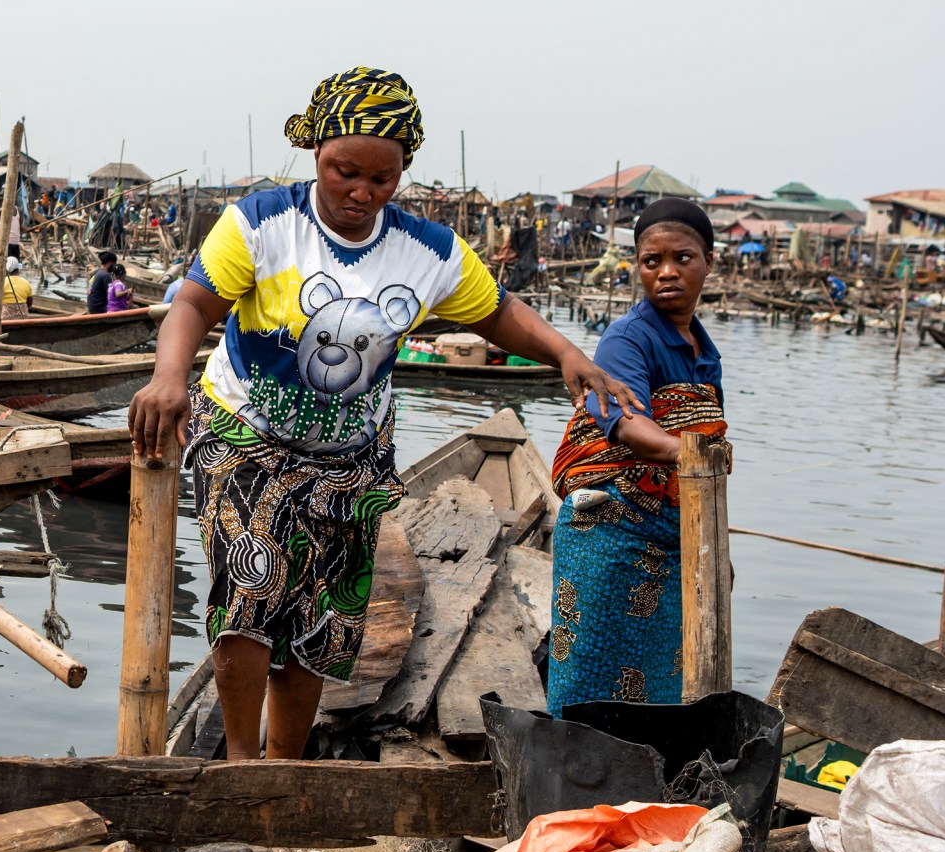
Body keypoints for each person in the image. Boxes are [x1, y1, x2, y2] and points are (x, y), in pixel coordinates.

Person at [128, 66, 635, 761]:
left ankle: (285, 768)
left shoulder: (426, 252)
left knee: (323, 622)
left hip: (351, 458)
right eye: (345, 173)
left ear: (402, 174)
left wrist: (566, 355)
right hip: (247, 435)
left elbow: (499, 314)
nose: (361, 193)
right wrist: (167, 379)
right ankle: (242, 765)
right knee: (248, 599)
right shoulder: (261, 222)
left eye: (382, 179)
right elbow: (192, 304)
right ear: (316, 154)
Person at [545, 198, 727, 717]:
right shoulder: (628, 337)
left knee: (664, 685)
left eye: (682, 258)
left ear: (708, 262)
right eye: (652, 261)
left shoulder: (703, 350)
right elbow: (626, 424)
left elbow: (702, 431)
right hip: (611, 534)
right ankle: (578, 783)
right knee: (591, 680)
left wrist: (715, 544)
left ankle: (643, 791)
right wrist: (690, 455)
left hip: (674, 538)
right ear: (638, 267)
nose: (666, 272)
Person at [0, 255, 33, 320]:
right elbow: (29, 303)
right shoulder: (26, 282)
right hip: (23, 316)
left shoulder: (2, 282)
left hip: (4, 317)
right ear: (18, 269)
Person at [86, 250, 117, 314]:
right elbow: (111, 295)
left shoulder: (98, 273)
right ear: (109, 263)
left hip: (91, 307)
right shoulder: (106, 275)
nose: (114, 267)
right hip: (99, 309)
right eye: (114, 264)